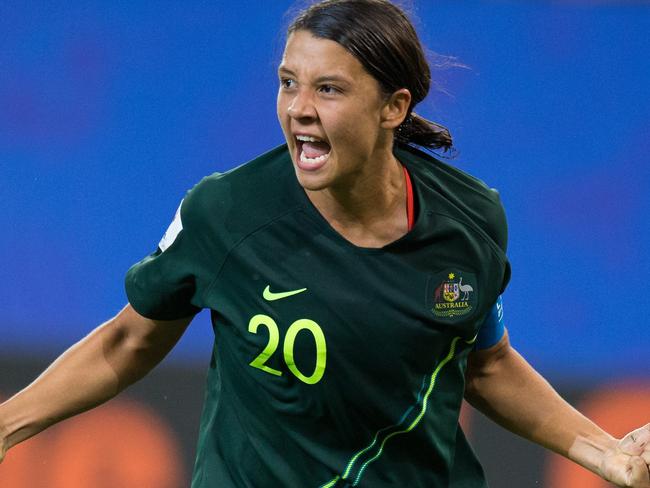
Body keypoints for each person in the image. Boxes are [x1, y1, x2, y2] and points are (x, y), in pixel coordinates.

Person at [1, 1, 648, 486]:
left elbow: (485, 361)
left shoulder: (470, 222)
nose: (297, 109)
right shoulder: (227, 212)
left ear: (393, 107)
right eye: (288, 82)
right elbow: (127, 340)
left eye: (328, 88)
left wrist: (604, 453)